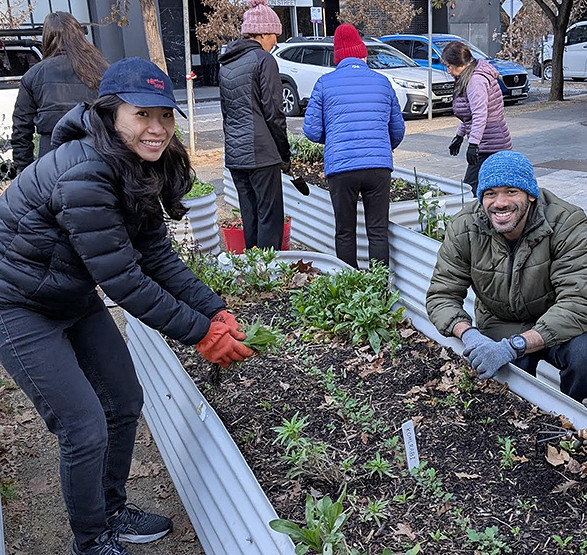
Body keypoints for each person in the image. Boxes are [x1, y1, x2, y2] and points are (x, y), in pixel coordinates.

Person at [0, 57, 254, 555]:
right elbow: (124, 280)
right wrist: (201, 333)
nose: (157, 129)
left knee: (123, 399)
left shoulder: (136, 164)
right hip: (16, 304)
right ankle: (91, 540)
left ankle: (111, 509)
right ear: (111, 113)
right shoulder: (85, 173)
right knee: (83, 425)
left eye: (165, 116)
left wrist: (214, 309)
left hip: (68, 293)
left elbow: (156, 253)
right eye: (143, 115)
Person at [425, 150, 587, 402]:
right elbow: (441, 295)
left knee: (583, 355)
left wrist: (516, 346)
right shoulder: (465, 227)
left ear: (530, 194)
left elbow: (579, 302)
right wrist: (470, 335)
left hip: (556, 319)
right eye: (490, 193)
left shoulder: (566, 223)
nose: (500, 202)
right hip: (500, 321)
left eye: (511, 191)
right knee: (512, 386)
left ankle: (581, 424)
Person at [303, 23, 405, 267]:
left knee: (345, 231)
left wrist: (335, 139)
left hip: (341, 167)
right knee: (378, 230)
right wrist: (382, 145)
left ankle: (350, 288)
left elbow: (311, 130)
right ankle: (379, 290)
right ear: (363, 52)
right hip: (378, 166)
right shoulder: (382, 82)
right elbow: (398, 128)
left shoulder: (325, 83)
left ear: (337, 56)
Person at [219, 0, 291, 250]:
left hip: (236, 155)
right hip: (261, 154)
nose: (276, 41)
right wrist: (284, 153)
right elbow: (274, 113)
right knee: (270, 218)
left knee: (250, 216)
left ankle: (253, 274)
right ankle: (270, 273)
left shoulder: (227, 63)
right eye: (274, 35)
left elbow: (226, 112)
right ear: (261, 33)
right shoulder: (264, 60)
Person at [11, 11, 108, 174]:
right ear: (79, 35)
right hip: (97, 151)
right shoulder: (102, 70)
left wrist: (24, 169)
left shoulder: (33, 75)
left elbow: (21, 127)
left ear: (47, 38)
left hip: (52, 156)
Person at [442, 41, 512, 196]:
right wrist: (459, 136)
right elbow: (469, 116)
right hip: (488, 141)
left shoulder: (475, 81)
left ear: (459, 63)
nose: (448, 71)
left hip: (491, 144)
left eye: (448, 66)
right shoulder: (470, 76)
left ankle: (474, 219)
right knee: (486, 189)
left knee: (470, 190)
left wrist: (473, 144)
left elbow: (480, 115)